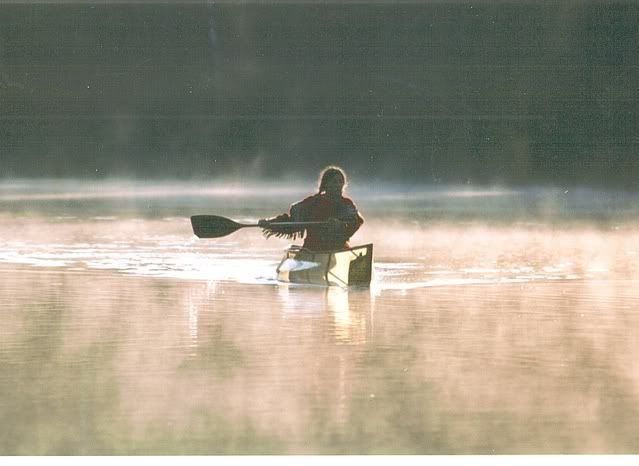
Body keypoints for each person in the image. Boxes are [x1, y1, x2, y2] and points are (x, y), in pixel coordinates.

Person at [258, 166, 364, 251]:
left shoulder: (347, 204)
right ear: (326, 184)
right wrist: (269, 223)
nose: (338, 185)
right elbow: (291, 222)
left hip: (337, 249)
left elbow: (355, 222)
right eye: (334, 182)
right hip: (313, 249)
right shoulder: (313, 202)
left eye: (340, 182)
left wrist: (340, 224)